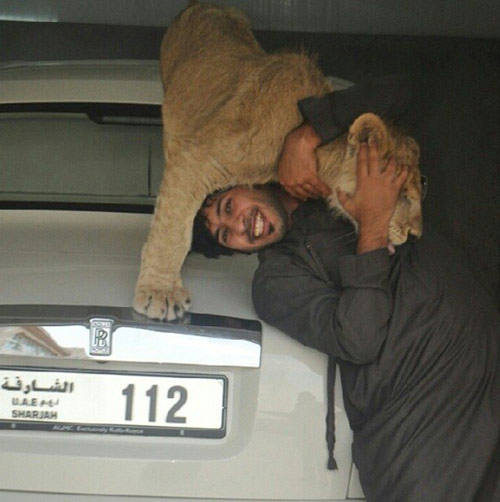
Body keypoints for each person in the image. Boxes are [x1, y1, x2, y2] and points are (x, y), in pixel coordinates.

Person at [191, 81, 500, 502]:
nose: (240, 225)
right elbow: (358, 338)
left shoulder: (325, 151)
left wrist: (309, 133)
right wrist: (373, 223)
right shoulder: (275, 282)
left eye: (229, 207)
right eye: (227, 237)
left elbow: (401, 88)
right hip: (418, 413)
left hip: (479, 352)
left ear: (244, 181)